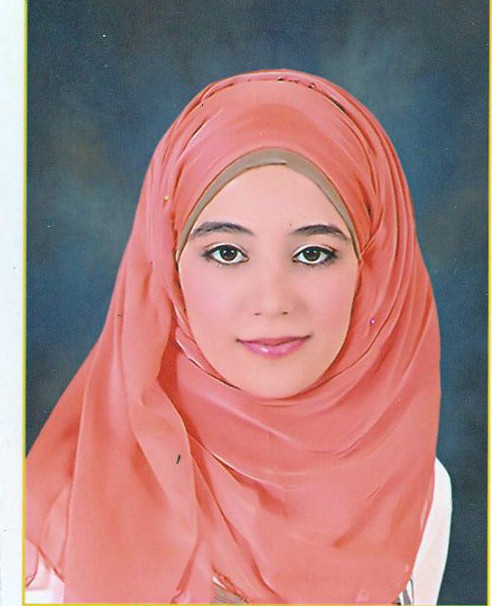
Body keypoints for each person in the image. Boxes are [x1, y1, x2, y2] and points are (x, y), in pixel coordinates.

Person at [25, 69, 451, 604]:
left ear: (374, 271)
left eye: (313, 253)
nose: (271, 301)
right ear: (169, 270)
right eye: (227, 253)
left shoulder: (417, 488)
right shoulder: (54, 526)